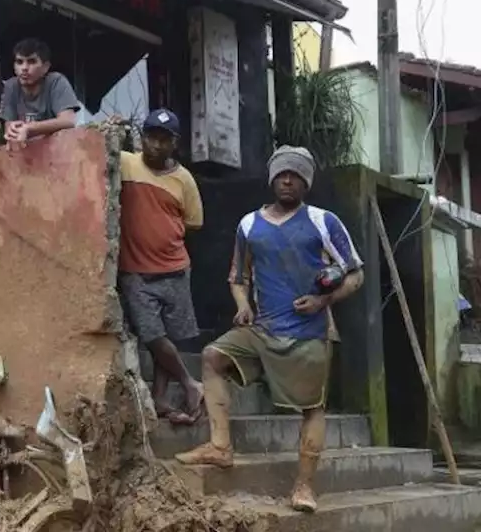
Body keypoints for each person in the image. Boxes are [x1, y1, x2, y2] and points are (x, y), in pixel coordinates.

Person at [176, 146, 364, 514]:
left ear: (306, 182)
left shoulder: (324, 221)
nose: (288, 179)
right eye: (281, 174)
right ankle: (220, 447)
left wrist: (323, 301)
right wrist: (243, 305)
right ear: (272, 178)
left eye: (295, 174)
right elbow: (237, 277)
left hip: (309, 332)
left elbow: (355, 273)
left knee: (312, 408)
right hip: (262, 328)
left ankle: (305, 486)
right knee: (213, 356)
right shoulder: (249, 225)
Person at [117, 109, 205, 425]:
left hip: (175, 267)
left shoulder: (184, 180)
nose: (156, 144)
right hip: (135, 269)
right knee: (153, 335)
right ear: (142, 138)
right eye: (151, 137)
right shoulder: (126, 163)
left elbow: (194, 222)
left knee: (169, 335)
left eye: (163, 139)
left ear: (175, 143)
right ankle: (190, 382)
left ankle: (160, 397)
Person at [0, 38, 79, 149]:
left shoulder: (56, 81)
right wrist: (12, 130)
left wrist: (29, 128)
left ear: (45, 67)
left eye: (31, 61)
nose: (24, 68)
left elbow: (68, 121)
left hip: (57, 152)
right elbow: (9, 126)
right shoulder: (11, 86)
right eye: (19, 62)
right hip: (25, 155)